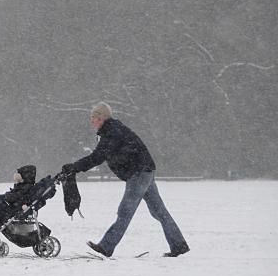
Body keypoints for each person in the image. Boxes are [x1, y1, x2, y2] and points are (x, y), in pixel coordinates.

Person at [62, 102, 189, 257]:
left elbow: (97, 157)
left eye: (93, 117)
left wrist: (74, 167)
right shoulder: (113, 130)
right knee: (159, 211)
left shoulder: (112, 132)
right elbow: (101, 156)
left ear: (101, 118)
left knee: (125, 211)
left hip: (138, 173)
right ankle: (179, 245)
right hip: (145, 170)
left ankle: (106, 246)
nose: (91, 120)